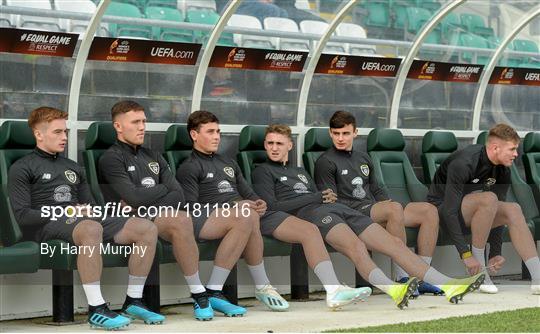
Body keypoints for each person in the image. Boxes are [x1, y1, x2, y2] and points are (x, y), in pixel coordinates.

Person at [252, 124, 486, 308]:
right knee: (356, 247)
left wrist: (325, 197)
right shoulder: (262, 170)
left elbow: (321, 194)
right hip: (312, 215)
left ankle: (447, 284)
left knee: (394, 243)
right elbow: (275, 205)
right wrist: (317, 197)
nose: (274, 148)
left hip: (341, 210)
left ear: (289, 146)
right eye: (270, 143)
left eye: (279, 143)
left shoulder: (300, 171)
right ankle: (391, 289)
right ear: (264, 144)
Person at [177, 110, 371, 311]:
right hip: (210, 218)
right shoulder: (189, 167)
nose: (217, 136)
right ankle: (239, 288)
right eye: (210, 132)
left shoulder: (228, 163)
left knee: (292, 225)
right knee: (246, 217)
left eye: (218, 131)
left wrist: (257, 202)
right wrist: (234, 206)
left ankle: (333, 289)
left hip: (246, 216)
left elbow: (249, 193)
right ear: (194, 135)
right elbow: (191, 208)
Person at [8, 106, 163, 330]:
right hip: (46, 225)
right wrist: (68, 212)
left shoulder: (73, 167)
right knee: (90, 227)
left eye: (65, 132)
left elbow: (90, 206)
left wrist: (110, 211)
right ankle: (96, 309)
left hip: (81, 222)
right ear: (38, 134)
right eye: (57, 132)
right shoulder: (21, 168)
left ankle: (133, 300)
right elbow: (23, 216)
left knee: (145, 228)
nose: (64, 137)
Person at [98, 101, 251, 320]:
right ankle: (198, 294)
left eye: (144, 121)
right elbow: (132, 197)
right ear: (118, 127)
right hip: (126, 221)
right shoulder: (111, 158)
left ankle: (211, 291)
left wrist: (146, 198)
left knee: (229, 218)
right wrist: (160, 191)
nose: (142, 127)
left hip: (154, 215)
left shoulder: (154, 155)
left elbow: (178, 195)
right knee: (179, 219)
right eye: (135, 122)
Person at [315, 110, 443, 296]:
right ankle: (404, 277)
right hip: (352, 213)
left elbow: (376, 188)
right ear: (330, 133)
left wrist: (386, 204)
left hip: (371, 208)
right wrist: (389, 209)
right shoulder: (325, 162)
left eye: (345, 133)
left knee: (428, 211)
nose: (340, 138)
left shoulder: (363, 157)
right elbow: (331, 202)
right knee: (393, 209)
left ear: (355, 133)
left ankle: (421, 277)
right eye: (336, 134)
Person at [427, 123, 540, 295]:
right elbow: (449, 211)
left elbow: (496, 211)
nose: (516, 154)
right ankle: (479, 274)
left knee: (513, 209)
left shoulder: (503, 170)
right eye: (512, 149)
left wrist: (496, 251)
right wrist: (466, 255)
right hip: (441, 211)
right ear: (495, 148)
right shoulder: (464, 163)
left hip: (471, 212)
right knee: (488, 198)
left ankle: (538, 277)